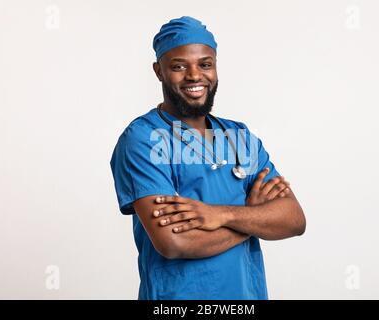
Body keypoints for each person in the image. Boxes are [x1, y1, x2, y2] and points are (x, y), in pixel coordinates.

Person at [110, 16, 306, 300]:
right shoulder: (143, 139)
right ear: (159, 71)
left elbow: (293, 220)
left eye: (205, 64)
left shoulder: (240, 137)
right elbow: (174, 242)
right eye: (178, 66)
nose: (194, 76)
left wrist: (221, 214)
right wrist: (253, 220)